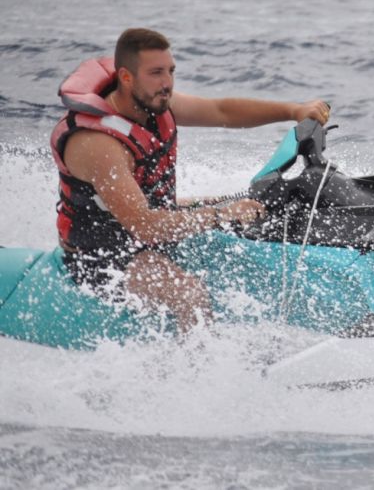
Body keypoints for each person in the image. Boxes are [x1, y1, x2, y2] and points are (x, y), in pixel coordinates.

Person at [51, 28, 331, 332]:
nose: (167, 83)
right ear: (126, 77)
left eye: (170, 71)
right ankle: (195, 374)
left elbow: (221, 110)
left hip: (152, 224)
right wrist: (220, 214)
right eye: (156, 73)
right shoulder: (97, 143)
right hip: (103, 257)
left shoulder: (154, 103)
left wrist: (293, 110)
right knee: (190, 294)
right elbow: (144, 226)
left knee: (244, 218)